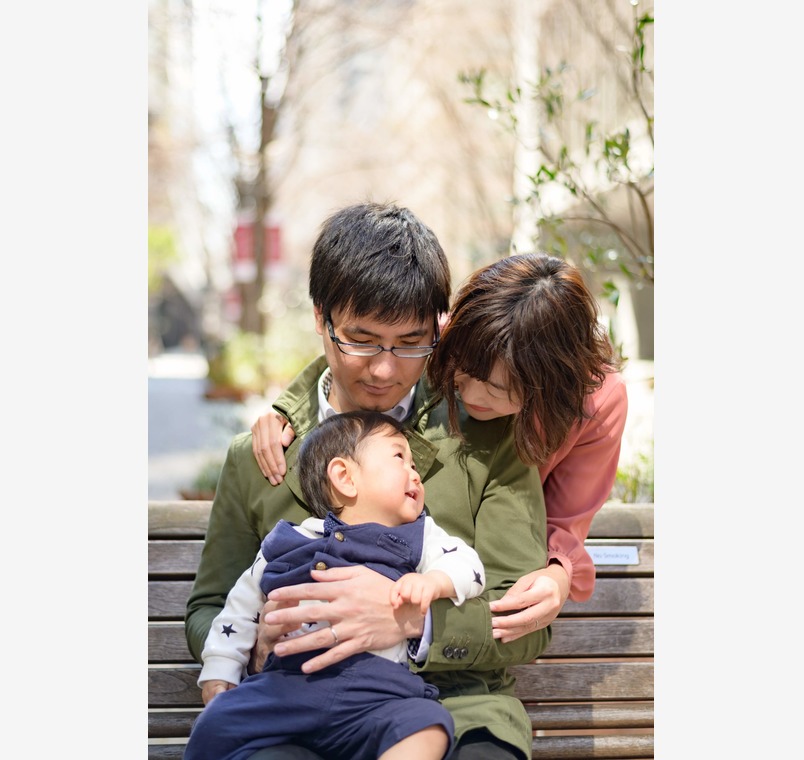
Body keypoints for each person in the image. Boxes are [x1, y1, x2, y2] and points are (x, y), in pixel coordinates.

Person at [185, 202, 550, 760]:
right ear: (320, 318)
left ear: (438, 328)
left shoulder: (490, 439)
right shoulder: (257, 455)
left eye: (410, 342)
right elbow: (210, 605)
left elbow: (524, 620)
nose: (384, 368)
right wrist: (253, 645)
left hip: (453, 707)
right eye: (361, 340)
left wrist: (410, 620)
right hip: (291, 704)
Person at [251, 252, 627, 646]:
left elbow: (569, 517)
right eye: (468, 371)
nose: (473, 396)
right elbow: (358, 348)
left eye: (504, 390)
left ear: (549, 384)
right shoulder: (455, 337)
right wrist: (290, 407)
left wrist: (558, 571)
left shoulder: (597, 404)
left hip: (496, 562)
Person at [185, 411, 485, 760]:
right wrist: (220, 673)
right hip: (286, 689)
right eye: (399, 456)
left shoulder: (420, 536)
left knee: (428, 724)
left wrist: (434, 581)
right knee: (214, 724)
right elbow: (238, 610)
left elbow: (468, 565)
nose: (415, 472)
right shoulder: (288, 541)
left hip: (377, 694)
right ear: (344, 476)